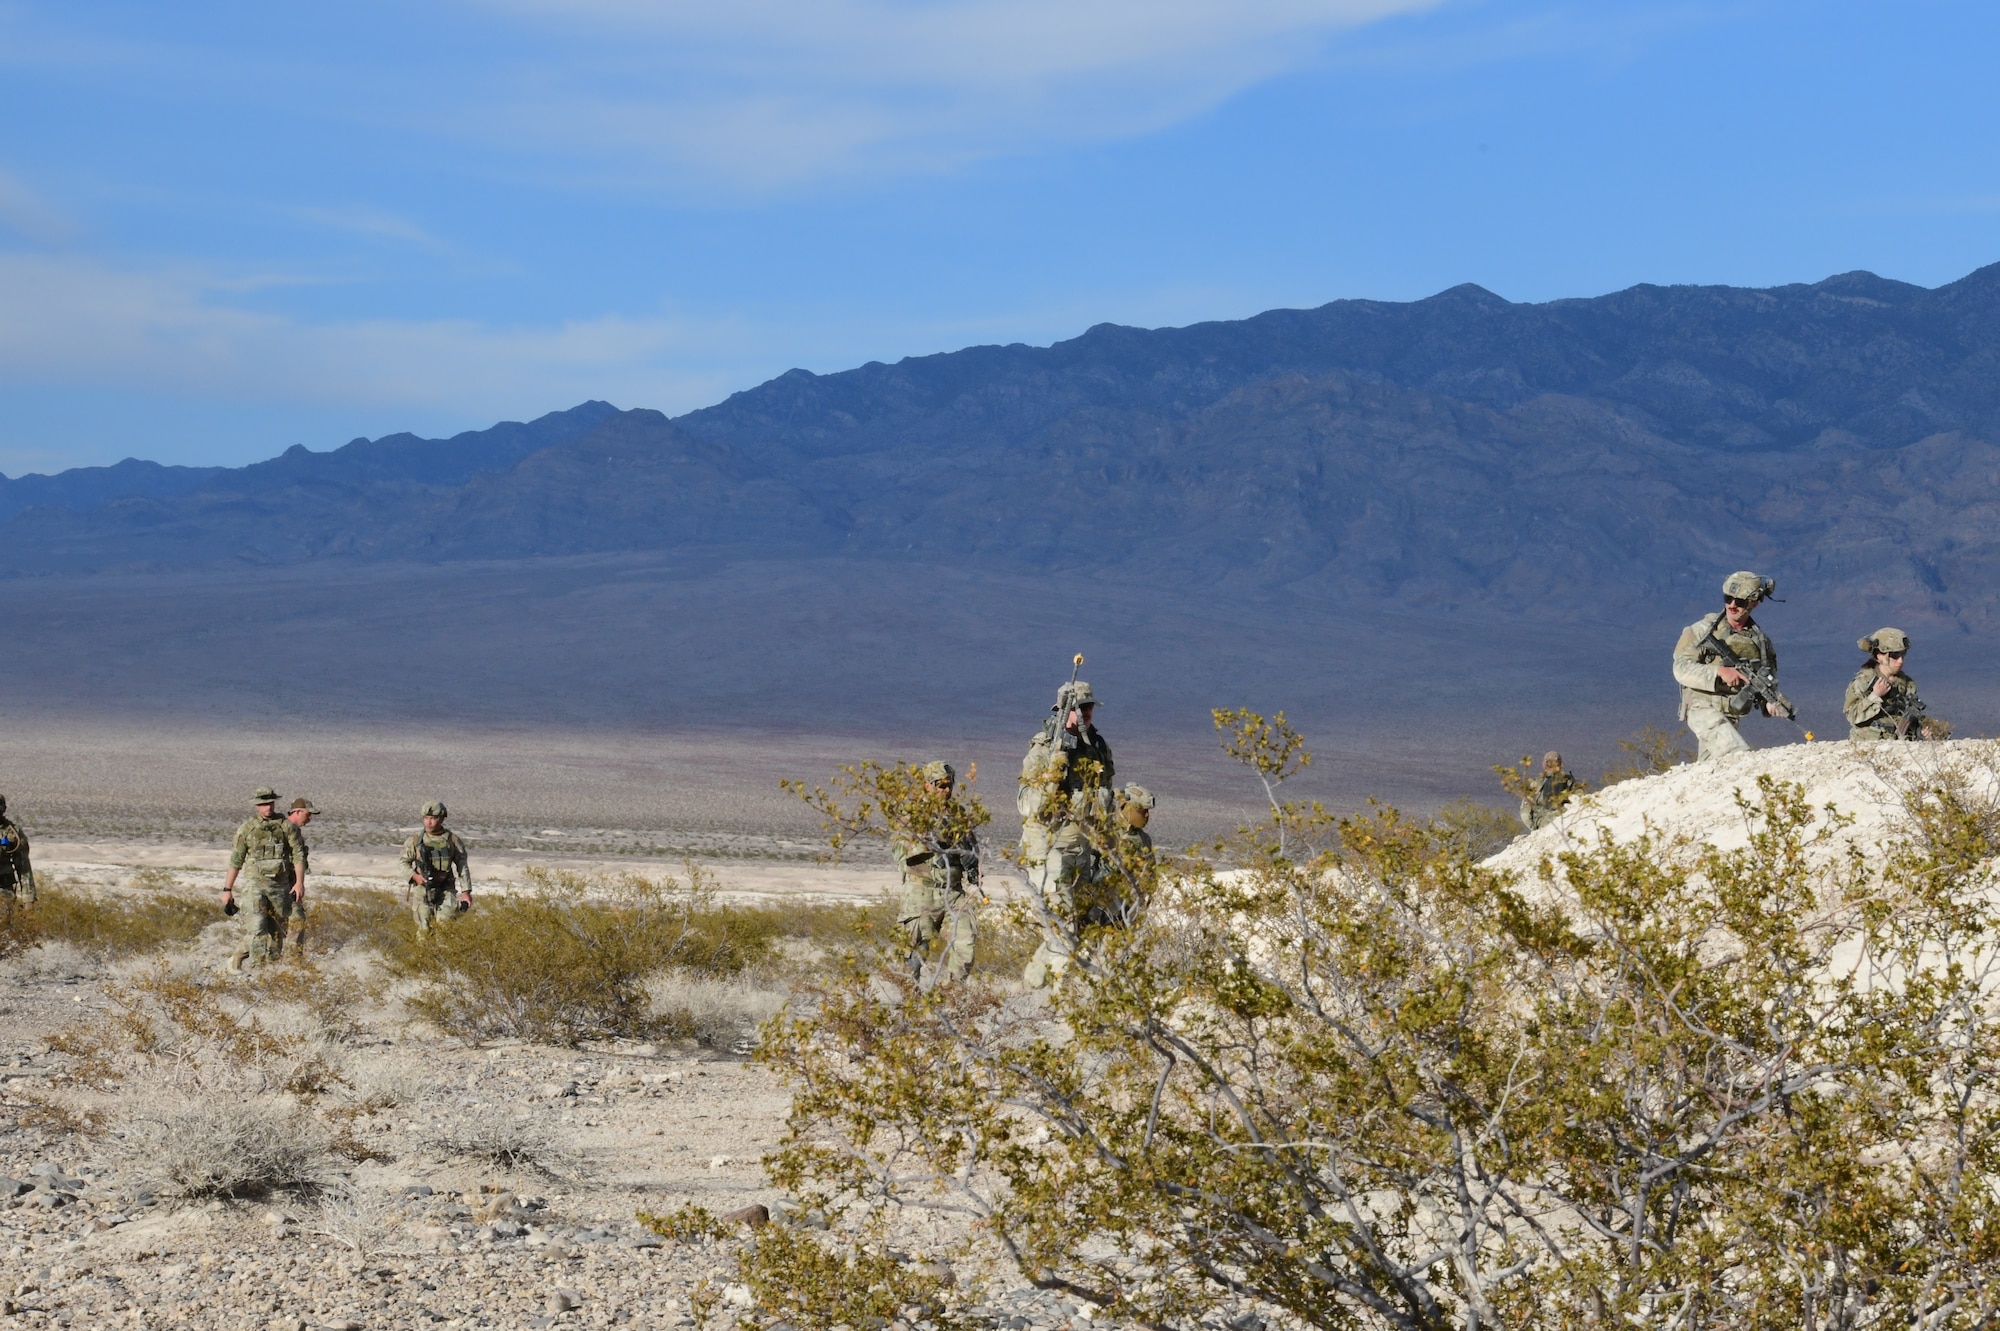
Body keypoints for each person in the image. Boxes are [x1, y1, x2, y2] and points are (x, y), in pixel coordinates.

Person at [1018, 678, 1115, 988]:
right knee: (1062, 926)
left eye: (1089, 707)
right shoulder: (1043, 748)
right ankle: (1062, 1000)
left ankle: (1031, 986)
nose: (1086, 713)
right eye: (1080, 708)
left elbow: (1105, 794)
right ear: (1064, 711)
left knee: (1085, 925)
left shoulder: (1096, 747)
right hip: (1049, 850)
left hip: (1083, 849)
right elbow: (1029, 805)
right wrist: (1055, 767)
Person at [1671, 571, 1792, 762]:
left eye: (1740, 601)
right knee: (1736, 757)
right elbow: (1681, 667)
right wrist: (1719, 672)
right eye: (1728, 598)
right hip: (1702, 707)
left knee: (1711, 771)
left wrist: (1769, 702)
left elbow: (1765, 680)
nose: (1732, 605)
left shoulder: (1760, 643)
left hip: (1731, 714)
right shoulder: (1703, 630)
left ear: (1754, 603)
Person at [894, 761, 981, 988]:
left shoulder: (958, 815)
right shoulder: (911, 813)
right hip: (922, 892)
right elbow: (900, 853)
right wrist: (937, 839)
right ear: (927, 786)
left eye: (949, 784)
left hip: (953, 893)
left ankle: (953, 996)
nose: (946, 790)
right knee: (916, 952)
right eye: (940, 785)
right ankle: (907, 1000)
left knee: (965, 942)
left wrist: (971, 860)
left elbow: (972, 847)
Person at [222, 787, 308, 970]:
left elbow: (298, 855)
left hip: (280, 887)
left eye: (270, 802)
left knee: (277, 934)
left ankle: (270, 974)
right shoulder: (247, 829)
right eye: (263, 803)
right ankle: (256, 971)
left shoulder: (286, 827)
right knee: (257, 929)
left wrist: (299, 883)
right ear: (256, 805)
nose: (267, 807)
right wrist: (227, 890)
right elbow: (236, 860)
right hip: (255, 886)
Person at [1844, 629, 1938, 741]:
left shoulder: (1907, 684)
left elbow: (1908, 719)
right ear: (1880, 656)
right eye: (1895, 655)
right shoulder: (1864, 682)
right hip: (1868, 743)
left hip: (1898, 744)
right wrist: (1875, 696)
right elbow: (1852, 716)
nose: (1900, 661)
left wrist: (1921, 731)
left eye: (1903, 655)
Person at [402, 800, 471, 934]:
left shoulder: (452, 841)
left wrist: (466, 892)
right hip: (422, 890)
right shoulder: (415, 841)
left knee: (445, 929)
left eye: (433, 818)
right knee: (424, 930)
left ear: (441, 819)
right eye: (426, 818)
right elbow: (403, 862)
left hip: (446, 889)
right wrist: (415, 876)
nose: (429, 822)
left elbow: (462, 866)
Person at [272, 797, 318, 954]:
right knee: (272, 927)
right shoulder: (282, 830)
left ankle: (293, 964)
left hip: (291, 886)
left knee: (297, 922)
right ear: (298, 812)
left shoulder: (295, 832)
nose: (310, 818)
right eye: (308, 814)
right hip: (277, 886)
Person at [0, 795, 37, 929]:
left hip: (3, 889)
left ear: (4, 808)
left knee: (3, 929)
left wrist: (28, 901)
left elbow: (24, 868)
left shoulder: (12, 833)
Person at [1517, 752, 1580, 830]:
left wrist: (1534, 829)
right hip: (1565, 820)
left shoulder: (1537, 784)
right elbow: (1580, 801)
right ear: (1560, 764)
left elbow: (1525, 812)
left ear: (1544, 765)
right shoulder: (1570, 782)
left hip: (1544, 822)